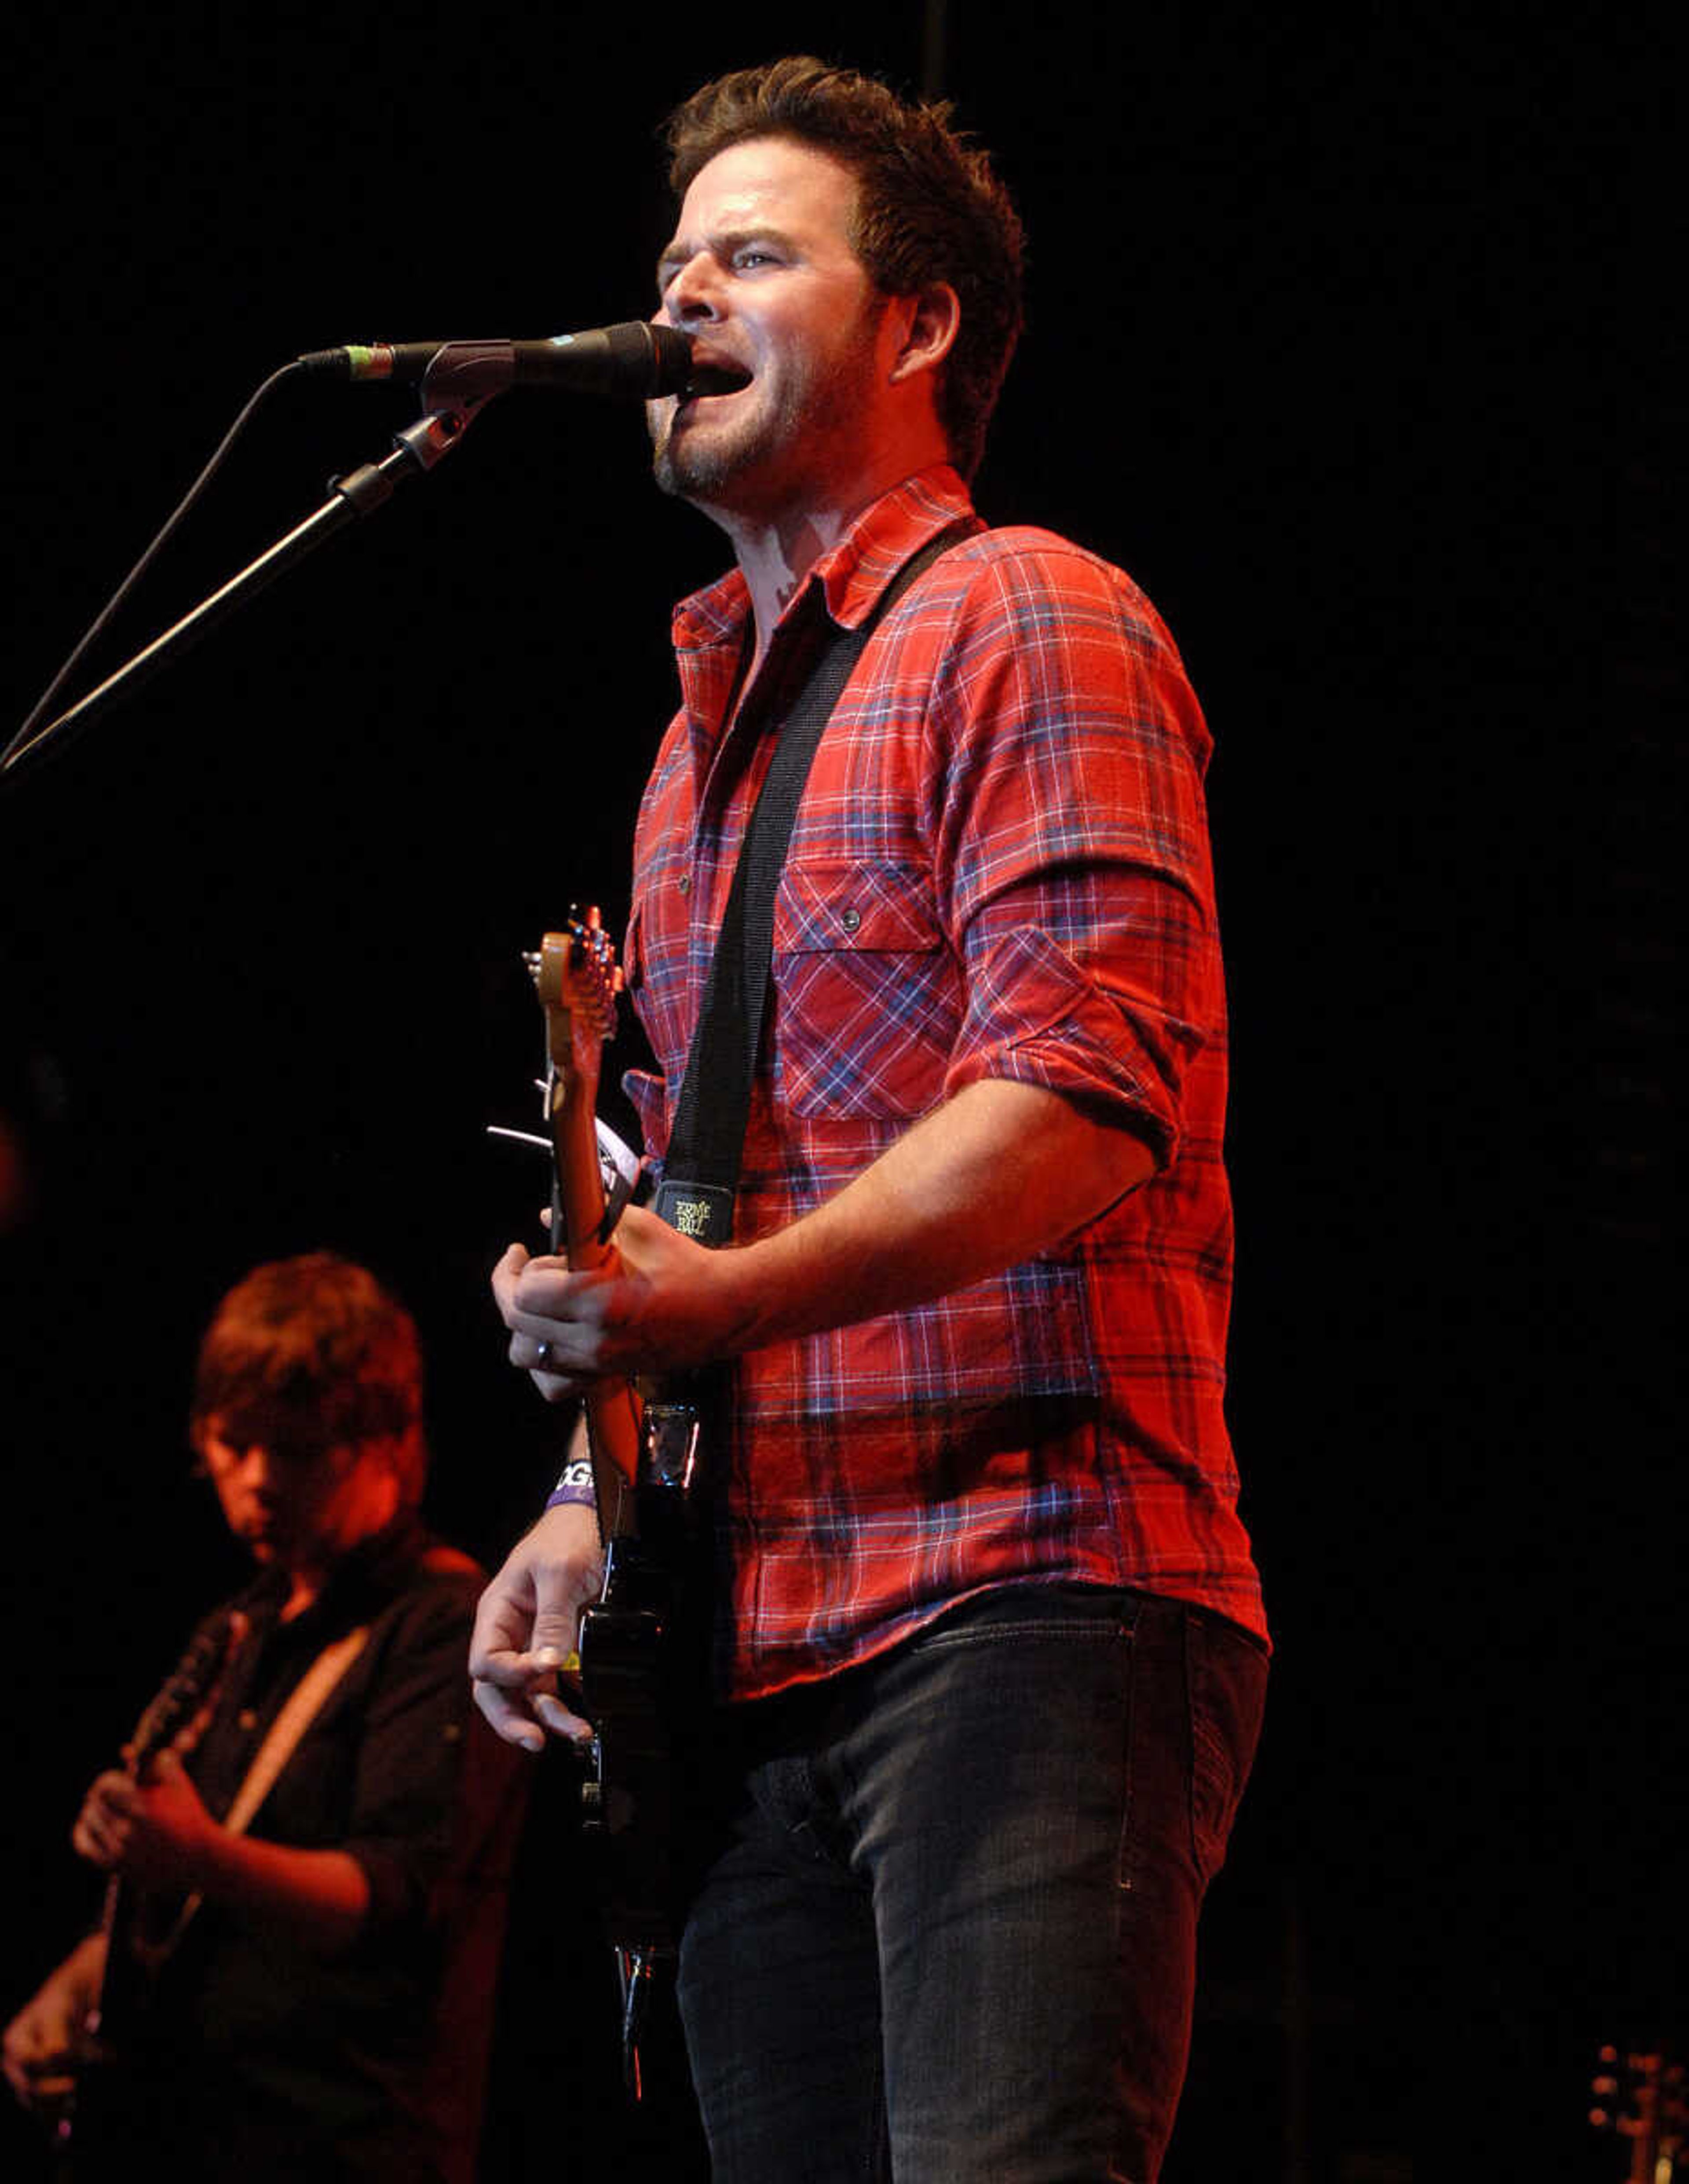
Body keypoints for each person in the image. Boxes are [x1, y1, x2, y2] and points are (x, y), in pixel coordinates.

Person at [471, 55, 1269, 2184]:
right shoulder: (686, 755)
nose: (678, 298)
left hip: (1025, 1591)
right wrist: (582, 1484)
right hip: (750, 1634)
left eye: (748, 254)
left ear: (916, 327)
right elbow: (690, 1190)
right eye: (664, 265)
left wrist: (709, 1295)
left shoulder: (1031, 613)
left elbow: (1085, 1094)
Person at [3, 1252, 527, 2183]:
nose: (256, 1482)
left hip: (346, 2142)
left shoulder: (444, 1621)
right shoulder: (242, 1623)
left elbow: (391, 1900)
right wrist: (80, 1979)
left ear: (393, 1440)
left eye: (296, 1447)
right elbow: (180, 1893)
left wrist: (197, 1854)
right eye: (231, 1444)